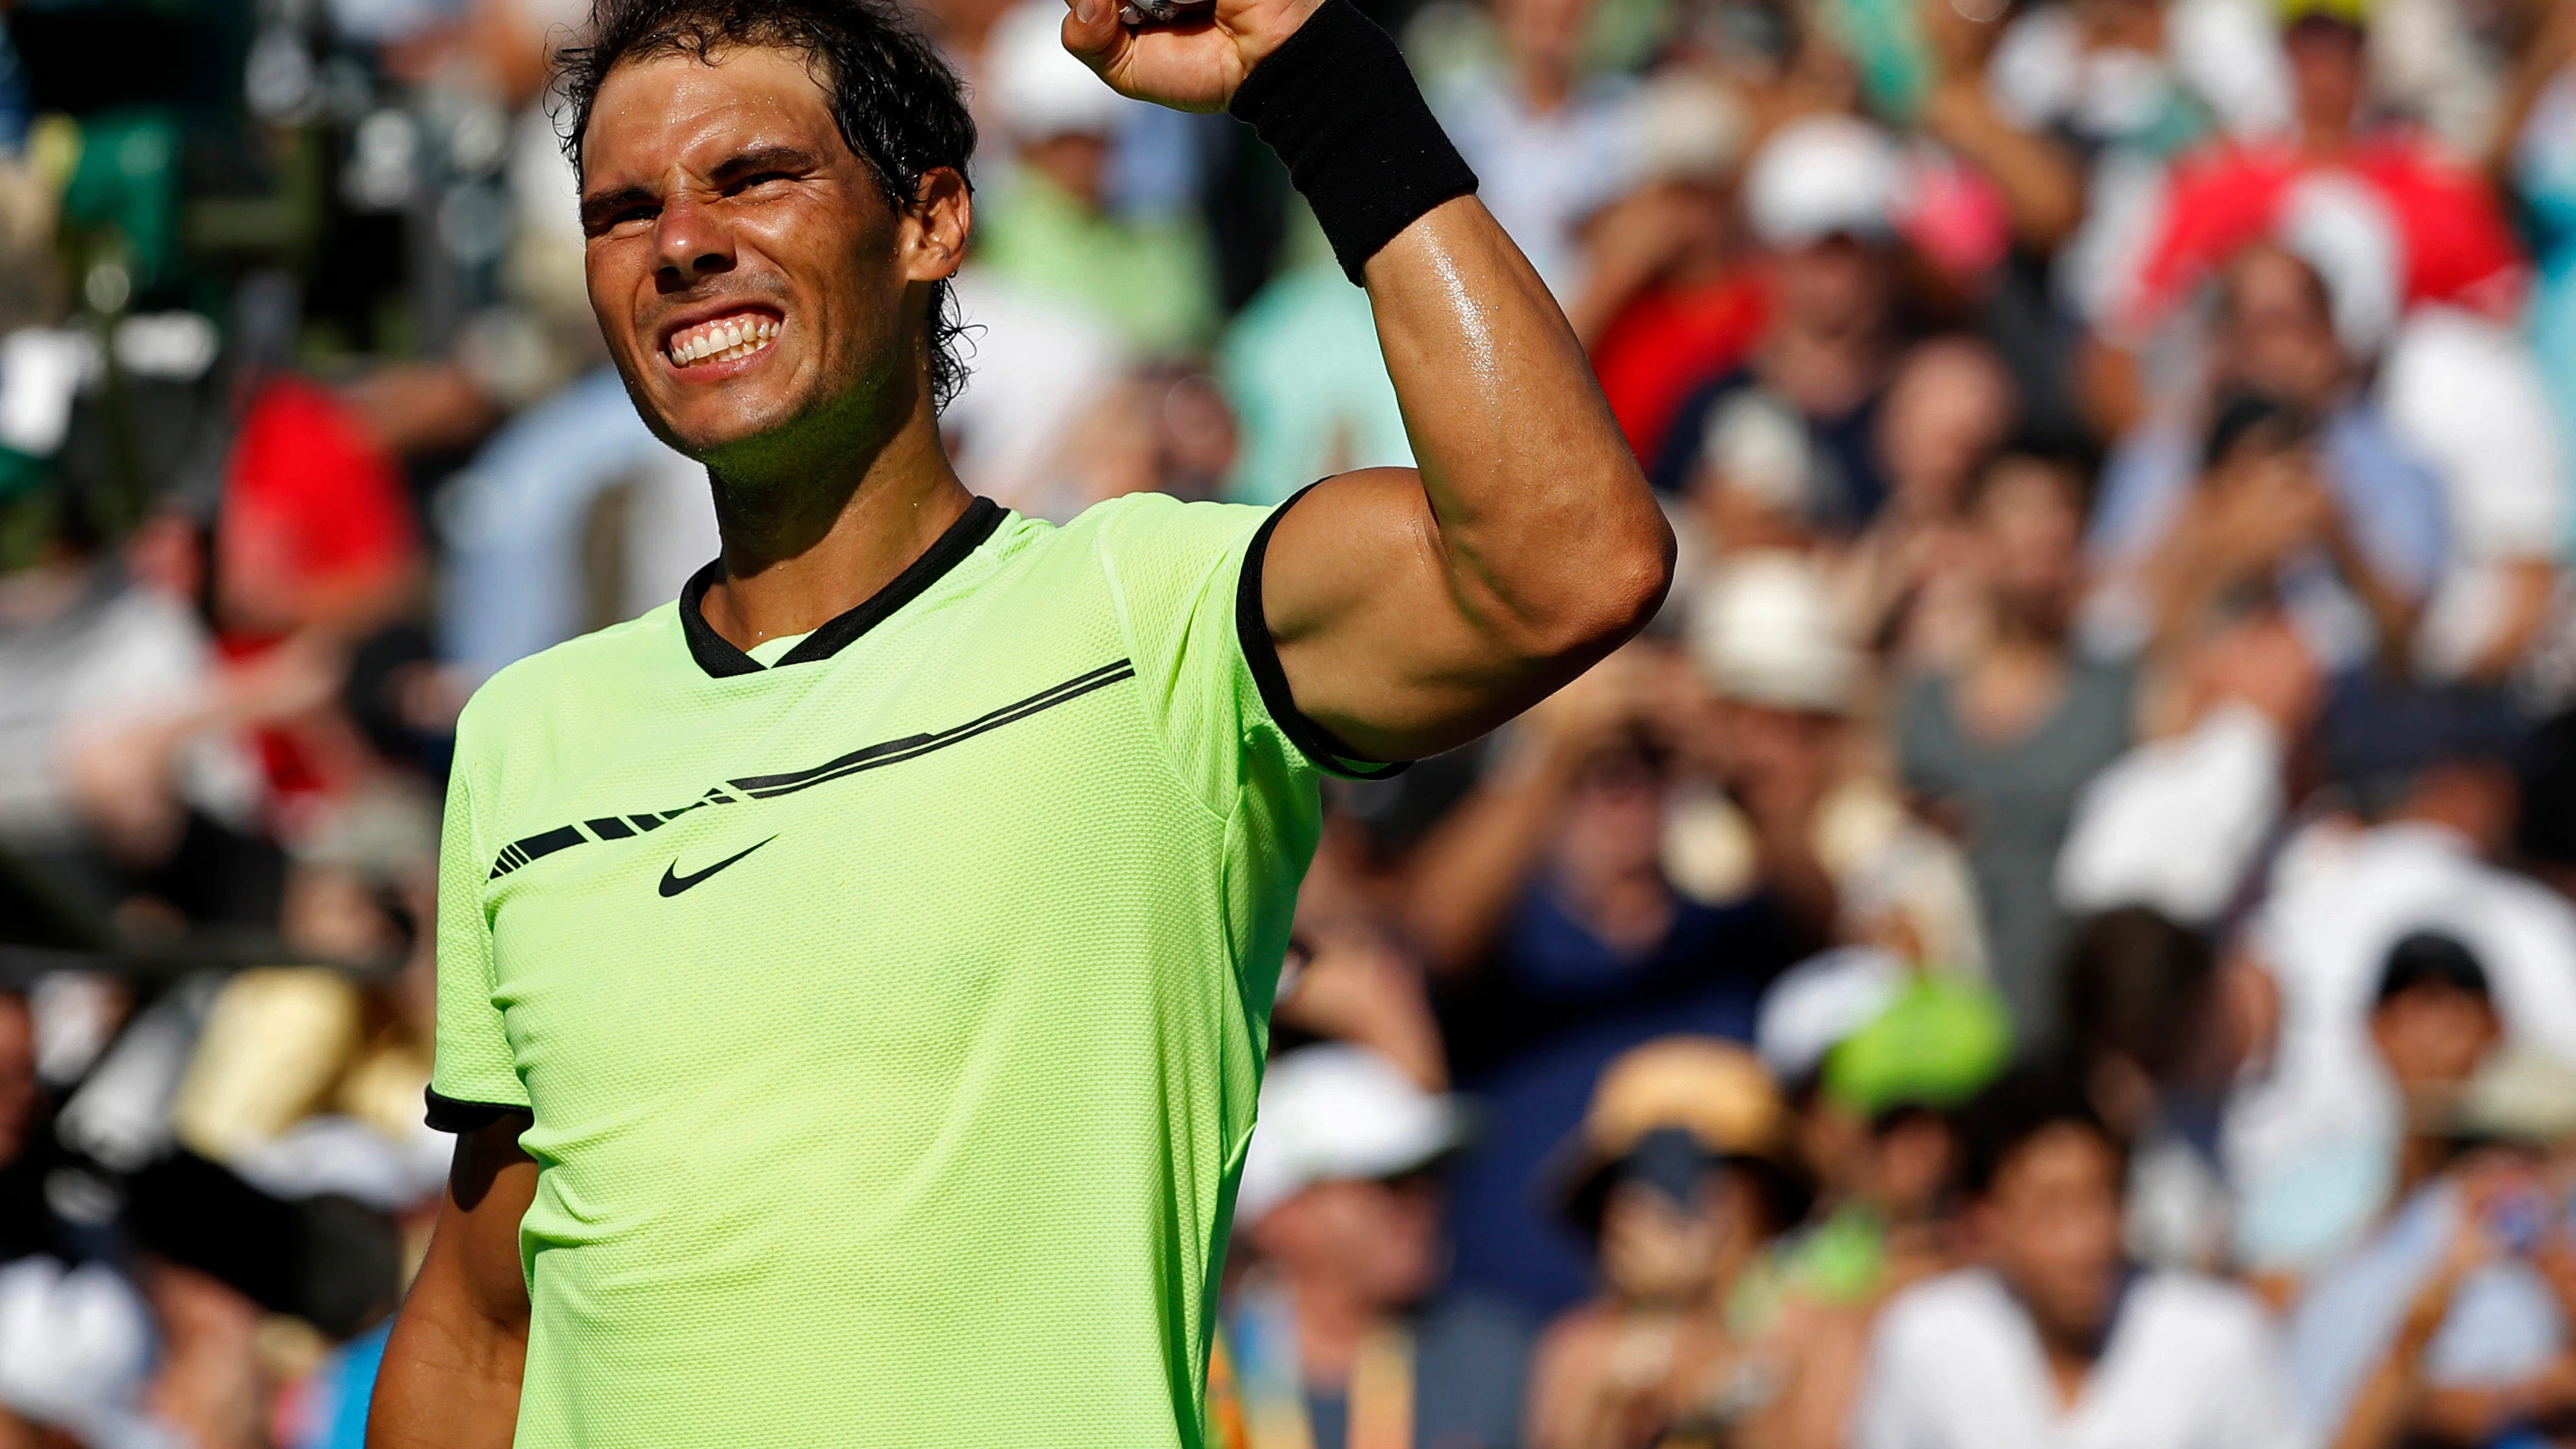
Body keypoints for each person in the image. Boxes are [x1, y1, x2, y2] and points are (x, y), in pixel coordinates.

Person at [365, 0, 1673, 1441]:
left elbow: (1571, 562)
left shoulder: (1154, 620)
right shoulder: (526, 734)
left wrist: (1326, 83)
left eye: (752, 177)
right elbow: (488, 1322)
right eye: (623, 209)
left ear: (931, 222)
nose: (680, 242)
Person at [1852, 1068, 2300, 1449]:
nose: (2088, 1243)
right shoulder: (1925, 1341)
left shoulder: (2219, 1338)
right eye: (2052, 1210)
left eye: (2101, 1200)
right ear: (1987, 1224)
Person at [1224, 1044, 1532, 1449]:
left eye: (1430, 1177)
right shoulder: (1190, 1372)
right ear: (1279, 1216)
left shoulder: (1501, 1359)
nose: (1422, 1205)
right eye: (1389, 1182)